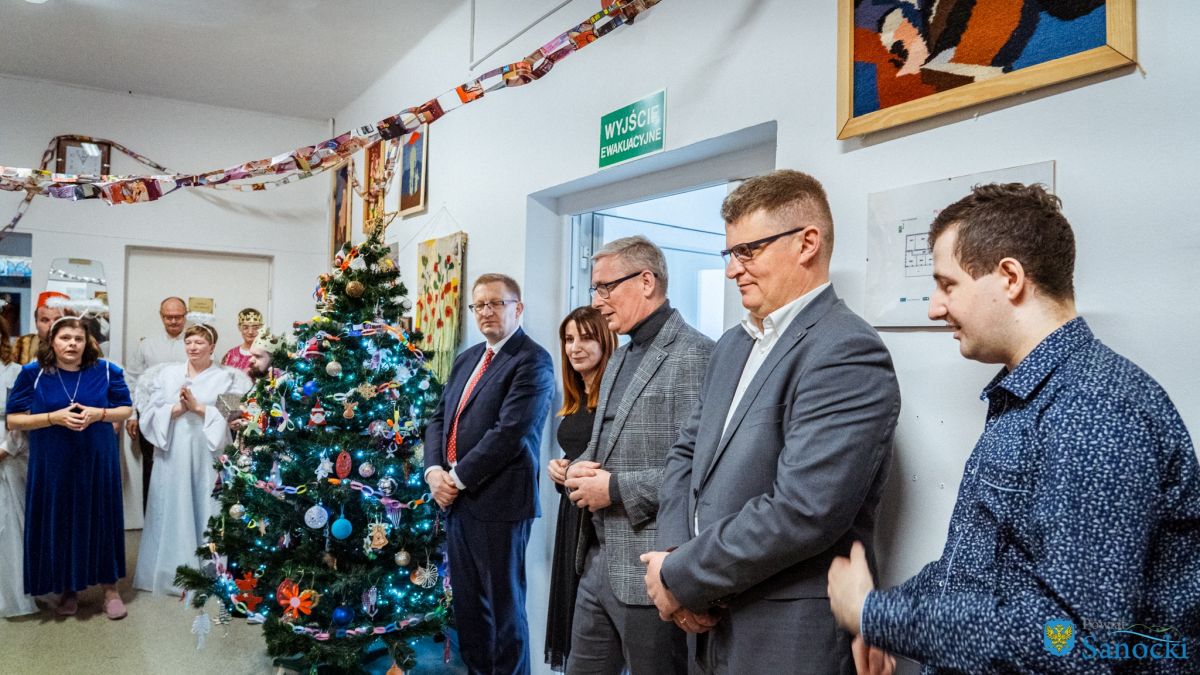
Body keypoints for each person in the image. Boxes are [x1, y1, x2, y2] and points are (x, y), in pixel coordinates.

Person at [828, 183, 1200, 673]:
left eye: (947, 285)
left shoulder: (1094, 411)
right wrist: (882, 618)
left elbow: (1074, 640)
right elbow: (976, 569)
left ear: (1009, 278)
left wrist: (876, 615)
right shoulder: (1032, 393)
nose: (935, 307)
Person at [642, 170, 901, 675]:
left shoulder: (846, 349)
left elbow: (804, 510)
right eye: (729, 253)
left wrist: (682, 574)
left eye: (748, 251)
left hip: (785, 632)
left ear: (807, 243)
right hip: (707, 622)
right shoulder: (732, 345)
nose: (732, 270)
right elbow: (686, 455)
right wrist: (673, 557)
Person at [563, 237, 714, 675]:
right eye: (594, 289)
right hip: (596, 561)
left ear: (646, 281)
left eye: (605, 287)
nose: (597, 301)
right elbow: (606, 443)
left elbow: (698, 471)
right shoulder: (619, 356)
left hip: (651, 568)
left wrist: (614, 488)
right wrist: (577, 467)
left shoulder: (695, 354)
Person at [423, 273, 555, 675]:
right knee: (469, 611)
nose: (486, 312)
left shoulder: (532, 360)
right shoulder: (468, 359)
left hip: (500, 505)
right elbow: (439, 418)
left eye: (496, 303)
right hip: (458, 503)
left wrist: (455, 479)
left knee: (504, 613)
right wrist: (434, 472)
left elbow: (509, 433)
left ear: (518, 308)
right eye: (479, 305)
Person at [5, 317, 134, 619]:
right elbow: (13, 419)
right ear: (52, 341)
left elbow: (125, 408)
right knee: (61, 520)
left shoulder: (107, 370)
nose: (72, 344)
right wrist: (54, 418)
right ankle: (68, 588)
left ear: (87, 342)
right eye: (65, 338)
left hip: (96, 458)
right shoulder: (33, 373)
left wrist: (99, 414)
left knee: (100, 518)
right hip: (53, 460)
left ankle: (110, 590)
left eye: (78, 338)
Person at [133, 323, 251, 595]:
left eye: (199, 342)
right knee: (173, 502)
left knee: (207, 501)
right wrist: (175, 410)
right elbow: (150, 411)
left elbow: (233, 417)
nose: (193, 347)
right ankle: (172, 569)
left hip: (208, 450)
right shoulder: (167, 375)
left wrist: (198, 408)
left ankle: (209, 569)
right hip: (173, 449)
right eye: (189, 342)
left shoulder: (228, 378)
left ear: (212, 347)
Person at [545, 306, 618, 672]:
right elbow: (580, 453)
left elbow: (609, 459)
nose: (575, 347)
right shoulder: (577, 396)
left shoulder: (615, 395)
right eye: (569, 339)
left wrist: (573, 470)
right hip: (572, 516)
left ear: (606, 341)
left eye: (586, 338)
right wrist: (560, 469)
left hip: (601, 522)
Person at [125, 296, 188, 512]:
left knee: (182, 470)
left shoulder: (195, 344)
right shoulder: (146, 345)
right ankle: (151, 520)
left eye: (178, 317)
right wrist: (132, 415)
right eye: (168, 317)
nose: (173, 321)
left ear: (185, 316)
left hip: (185, 418)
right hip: (151, 417)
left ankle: (180, 521)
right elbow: (133, 380)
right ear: (161, 316)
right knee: (151, 469)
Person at [0, 317, 36, 617]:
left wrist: (5, 448)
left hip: (10, 450)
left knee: (10, 520)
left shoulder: (16, 373)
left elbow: (22, 416)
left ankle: (14, 593)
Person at [11, 291, 68, 365]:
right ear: (36, 323)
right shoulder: (21, 345)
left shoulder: (78, 346)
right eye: (45, 320)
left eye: (58, 320)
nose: (52, 325)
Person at [221, 308, 264, 373]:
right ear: (239, 328)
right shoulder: (230, 354)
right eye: (245, 327)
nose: (250, 332)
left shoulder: (267, 355)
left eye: (255, 328)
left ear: (261, 328)